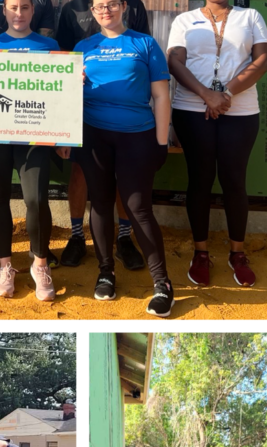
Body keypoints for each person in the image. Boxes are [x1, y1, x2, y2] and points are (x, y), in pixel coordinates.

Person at [77, 0, 176, 316]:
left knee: (138, 208)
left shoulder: (144, 43)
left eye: (111, 4)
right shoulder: (83, 46)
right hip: (93, 135)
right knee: (101, 202)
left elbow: (161, 95)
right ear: (92, 11)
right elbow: (64, 93)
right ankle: (106, 271)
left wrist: (161, 141)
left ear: (123, 7)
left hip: (138, 135)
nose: (105, 10)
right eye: (98, 6)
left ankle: (162, 284)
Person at [167, 0, 267, 288]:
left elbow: (263, 60)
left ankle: (237, 254)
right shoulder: (184, 20)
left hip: (240, 110)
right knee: (200, 180)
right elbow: (175, 61)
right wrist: (206, 94)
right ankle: (201, 253)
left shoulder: (250, 16)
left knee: (234, 180)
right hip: (191, 109)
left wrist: (225, 94)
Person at [0, 0, 66, 301]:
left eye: (25, 7)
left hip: (35, 137)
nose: (19, 13)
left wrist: (64, 133)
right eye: (13, 7)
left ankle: (40, 264)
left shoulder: (49, 45)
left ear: (33, 12)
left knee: (37, 199)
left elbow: (60, 92)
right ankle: (5, 266)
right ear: (4, 11)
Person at [55, 0, 151, 271]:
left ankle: (123, 239)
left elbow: (144, 57)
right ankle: (76, 236)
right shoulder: (71, 7)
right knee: (79, 173)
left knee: (123, 177)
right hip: (84, 112)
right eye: (100, 6)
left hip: (127, 118)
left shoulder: (134, 6)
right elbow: (61, 62)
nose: (105, 10)